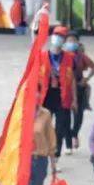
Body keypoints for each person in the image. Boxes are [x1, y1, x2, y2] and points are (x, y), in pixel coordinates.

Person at [39, 25, 76, 153]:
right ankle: (44, 151)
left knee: (60, 128)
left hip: (62, 97)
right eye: (56, 35)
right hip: (46, 96)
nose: (58, 38)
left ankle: (56, 155)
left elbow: (72, 81)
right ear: (52, 36)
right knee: (43, 125)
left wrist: (74, 100)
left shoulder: (70, 58)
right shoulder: (42, 56)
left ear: (65, 40)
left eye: (61, 37)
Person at [26, 102, 56, 185]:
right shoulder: (22, 111)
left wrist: (53, 164)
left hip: (40, 159)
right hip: (24, 160)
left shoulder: (45, 114)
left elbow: (51, 139)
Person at [68, 31, 94, 149]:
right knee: (64, 117)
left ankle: (74, 134)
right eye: (68, 40)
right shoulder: (61, 54)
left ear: (77, 42)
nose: (71, 43)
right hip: (65, 87)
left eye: (73, 40)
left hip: (79, 85)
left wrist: (87, 78)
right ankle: (67, 140)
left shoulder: (81, 56)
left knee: (78, 116)